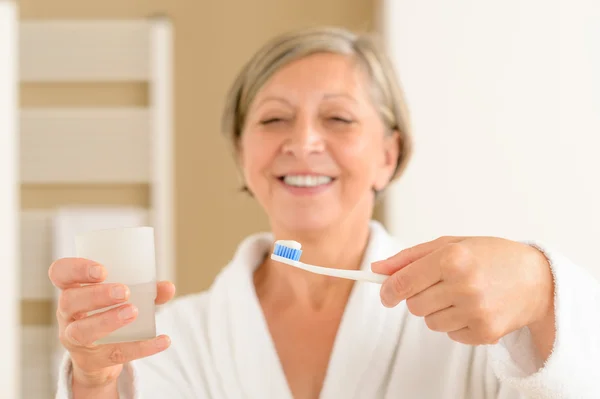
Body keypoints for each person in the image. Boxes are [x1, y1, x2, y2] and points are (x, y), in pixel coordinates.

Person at [51, 26, 599, 399]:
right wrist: (94, 383)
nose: (304, 142)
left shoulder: (469, 319)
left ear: (389, 154)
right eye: (272, 121)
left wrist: (539, 288)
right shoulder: (172, 340)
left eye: (338, 119)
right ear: (242, 155)